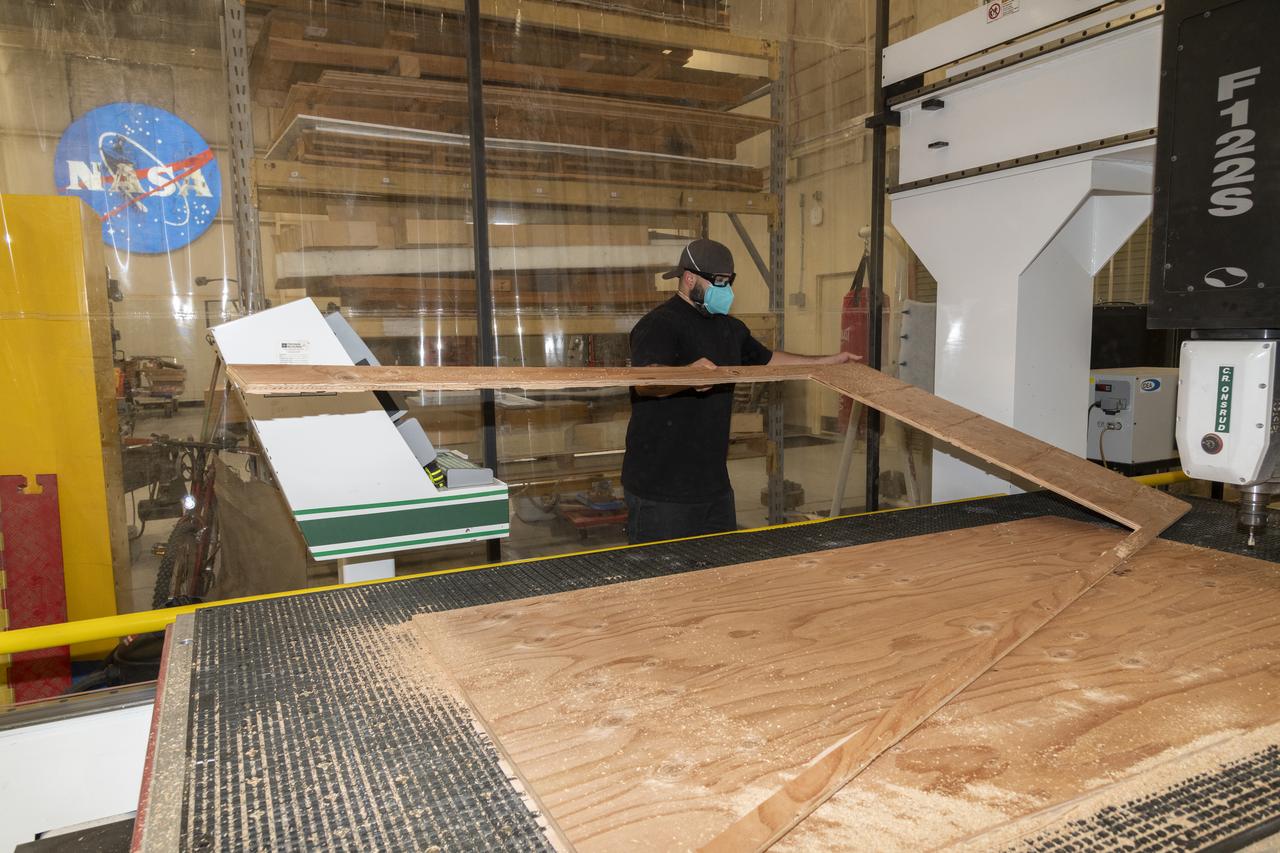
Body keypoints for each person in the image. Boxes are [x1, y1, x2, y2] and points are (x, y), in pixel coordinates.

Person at [621, 239, 859, 545]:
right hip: (661, 489)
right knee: (660, 582)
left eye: (728, 283)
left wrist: (827, 362)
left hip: (714, 486)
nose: (725, 291)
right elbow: (644, 382)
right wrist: (687, 378)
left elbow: (770, 360)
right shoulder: (658, 325)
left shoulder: (729, 329)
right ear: (689, 278)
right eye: (718, 283)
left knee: (722, 576)